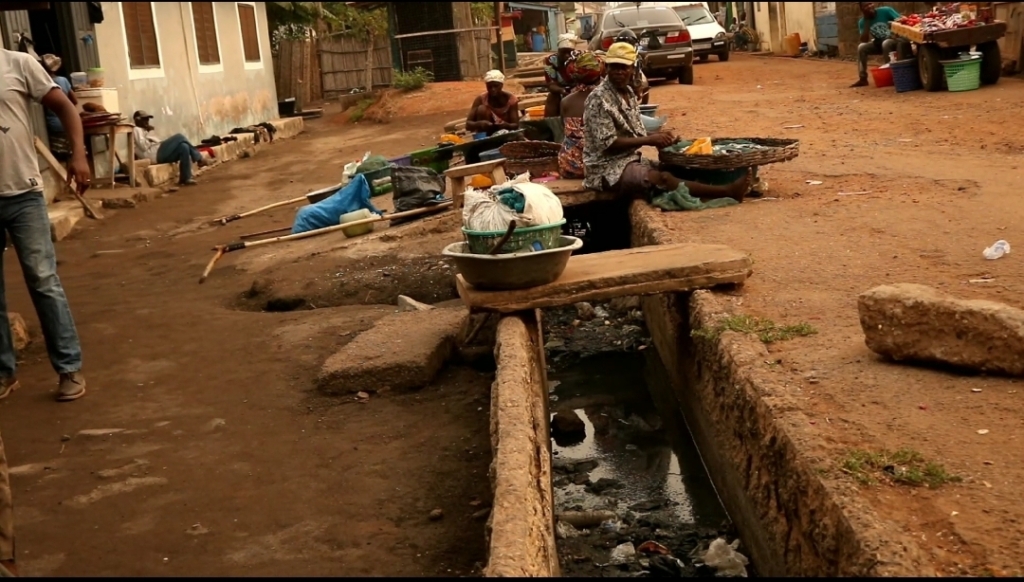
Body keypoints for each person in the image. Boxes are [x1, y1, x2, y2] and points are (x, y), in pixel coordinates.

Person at [0, 44, 95, 576]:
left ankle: (69, 368)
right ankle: (3, 371)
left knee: (43, 281)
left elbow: (64, 107)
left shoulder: (17, 63)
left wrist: (78, 156)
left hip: (23, 194)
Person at [582, 42, 747, 202]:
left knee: (677, 168)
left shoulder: (628, 92)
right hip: (605, 169)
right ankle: (727, 191)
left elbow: (635, 132)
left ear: (633, 69)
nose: (619, 72)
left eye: (623, 67)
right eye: (614, 67)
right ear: (607, 68)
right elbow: (609, 143)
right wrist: (650, 139)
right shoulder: (598, 99)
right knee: (663, 179)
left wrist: (661, 138)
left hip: (628, 159)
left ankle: (722, 188)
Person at [558, 51, 605, 179]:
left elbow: (564, 128)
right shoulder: (606, 98)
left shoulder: (565, 101)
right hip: (598, 166)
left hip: (570, 165)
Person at [132, 111, 210, 186]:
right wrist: (149, 132)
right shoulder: (136, 129)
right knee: (179, 137)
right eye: (144, 119)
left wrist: (148, 132)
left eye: (147, 119)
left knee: (184, 147)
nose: (147, 122)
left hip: (158, 152)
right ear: (138, 120)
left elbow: (157, 142)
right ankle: (199, 159)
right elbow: (144, 146)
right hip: (154, 154)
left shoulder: (144, 130)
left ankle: (186, 178)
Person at [851, 2, 901, 87]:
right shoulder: (862, 22)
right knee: (861, 47)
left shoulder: (886, 11)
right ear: (862, 9)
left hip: (894, 41)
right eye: (866, 6)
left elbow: (901, 20)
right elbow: (864, 40)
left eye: (870, 4)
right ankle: (863, 78)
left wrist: (894, 27)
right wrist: (867, 22)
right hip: (879, 43)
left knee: (886, 43)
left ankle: (891, 75)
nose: (869, 7)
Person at [465, 70, 520, 137]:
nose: (493, 89)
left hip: (505, 133)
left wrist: (506, 125)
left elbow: (515, 125)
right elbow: (468, 124)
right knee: (482, 109)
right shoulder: (481, 99)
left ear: (501, 85)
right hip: (487, 133)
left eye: (496, 86)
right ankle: (483, 139)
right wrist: (480, 124)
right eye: (489, 87)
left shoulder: (511, 100)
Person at [542, 34, 579, 118]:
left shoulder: (579, 59)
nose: (566, 55)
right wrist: (562, 90)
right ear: (558, 51)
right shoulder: (551, 61)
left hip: (579, 90)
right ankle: (551, 123)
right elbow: (551, 84)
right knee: (552, 97)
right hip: (560, 91)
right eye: (563, 52)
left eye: (569, 52)